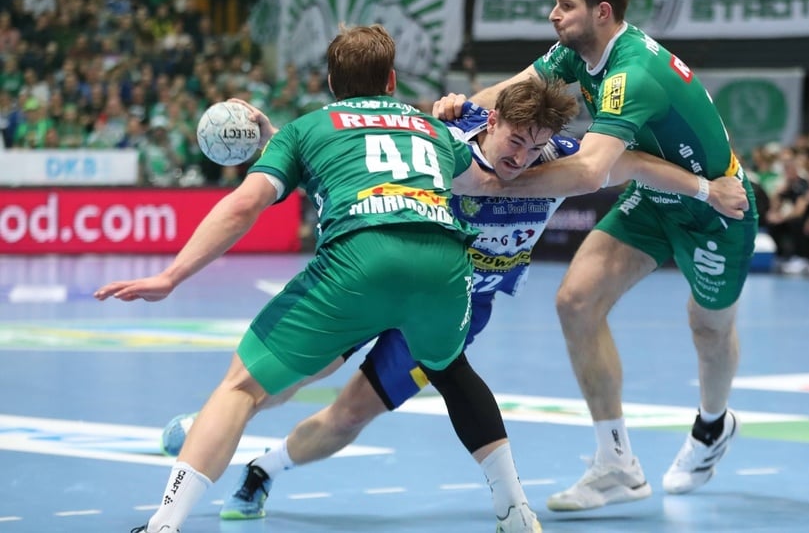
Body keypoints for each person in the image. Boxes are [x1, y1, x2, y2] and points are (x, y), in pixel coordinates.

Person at [163, 77, 749, 524]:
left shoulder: (561, 158)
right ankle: (209, 425)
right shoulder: (448, 135)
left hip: (453, 312)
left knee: (348, 415)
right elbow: (359, 143)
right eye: (514, 141)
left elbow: (633, 164)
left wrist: (705, 185)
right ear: (490, 120)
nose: (521, 158)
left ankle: (264, 467)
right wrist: (272, 139)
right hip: (393, 269)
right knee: (300, 371)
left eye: (534, 146)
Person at [95, 25, 543, 533]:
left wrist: (172, 275)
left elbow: (245, 205)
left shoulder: (306, 129)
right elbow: (483, 181)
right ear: (392, 81)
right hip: (443, 269)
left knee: (241, 386)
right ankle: (515, 511)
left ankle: (163, 525)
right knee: (453, 375)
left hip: (359, 265)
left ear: (331, 82)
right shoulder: (432, 129)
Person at [434, 0, 758, 512]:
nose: (553, 14)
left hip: (715, 209)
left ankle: (712, 424)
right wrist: (456, 109)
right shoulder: (574, 53)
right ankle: (618, 465)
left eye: (565, 6)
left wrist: (497, 184)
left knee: (708, 328)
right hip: (653, 197)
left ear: (601, 12)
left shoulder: (631, 74)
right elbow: (515, 90)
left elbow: (588, 172)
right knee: (576, 303)